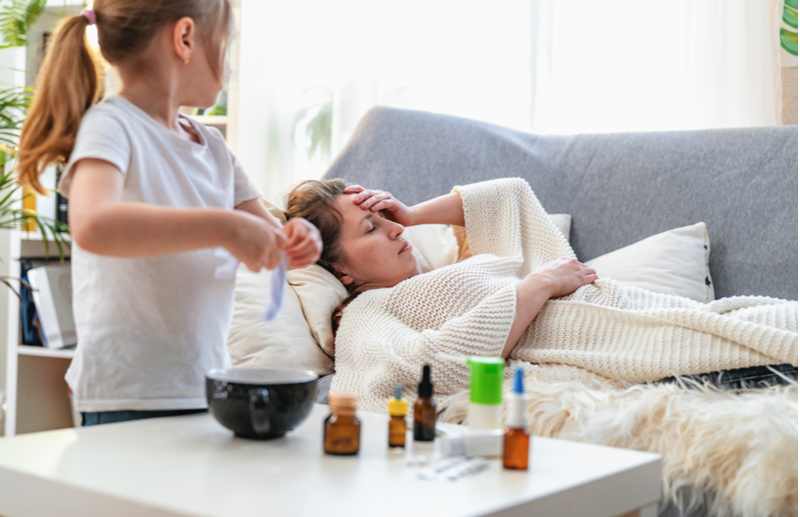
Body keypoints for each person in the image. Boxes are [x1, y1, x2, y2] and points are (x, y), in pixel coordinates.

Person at [15, 0, 322, 425]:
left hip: (204, 384)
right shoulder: (112, 126)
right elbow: (92, 224)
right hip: (125, 393)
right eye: (226, 45)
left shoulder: (214, 148)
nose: (230, 65)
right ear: (184, 39)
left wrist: (297, 240)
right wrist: (223, 227)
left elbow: (273, 242)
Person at [284, 177, 797, 413]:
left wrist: (413, 213)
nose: (394, 232)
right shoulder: (367, 312)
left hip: (642, 313)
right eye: (370, 230)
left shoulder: (448, 268)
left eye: (385, 219)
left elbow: (511, 195)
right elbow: (429, 369)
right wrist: (537, 286)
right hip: (622, 355)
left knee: (773, 320)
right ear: (342, 272)